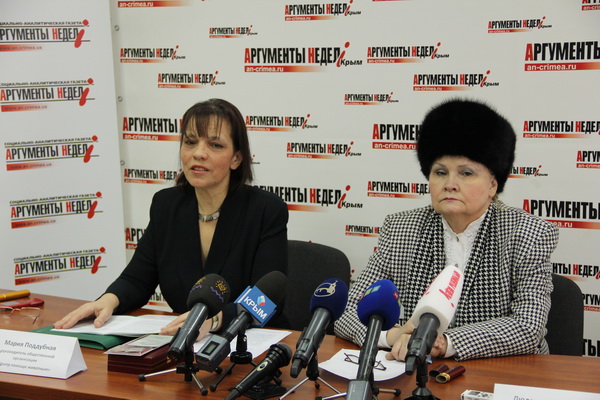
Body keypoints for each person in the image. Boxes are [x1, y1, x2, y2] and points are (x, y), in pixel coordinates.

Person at [334, 99, 559, 361]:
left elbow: (528, 326)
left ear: (492, 185)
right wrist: (392, 335)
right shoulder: (401, 229)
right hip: (417, 369)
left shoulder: (529, 233)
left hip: (503, 370)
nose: (450, 184)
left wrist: (445, 343)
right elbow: (347, 311)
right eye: (440, 172)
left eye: (466, 173)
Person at [55, 98, 289, 340]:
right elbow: (137, 279)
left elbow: (265, 300)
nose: (198, 153)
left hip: (251, 343)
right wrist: (107, 301)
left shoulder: (265, 210)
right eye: (190, 142)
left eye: (215, 145)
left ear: (236, 159)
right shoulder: (166, 205)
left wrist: (212, 322)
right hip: (181, 344)